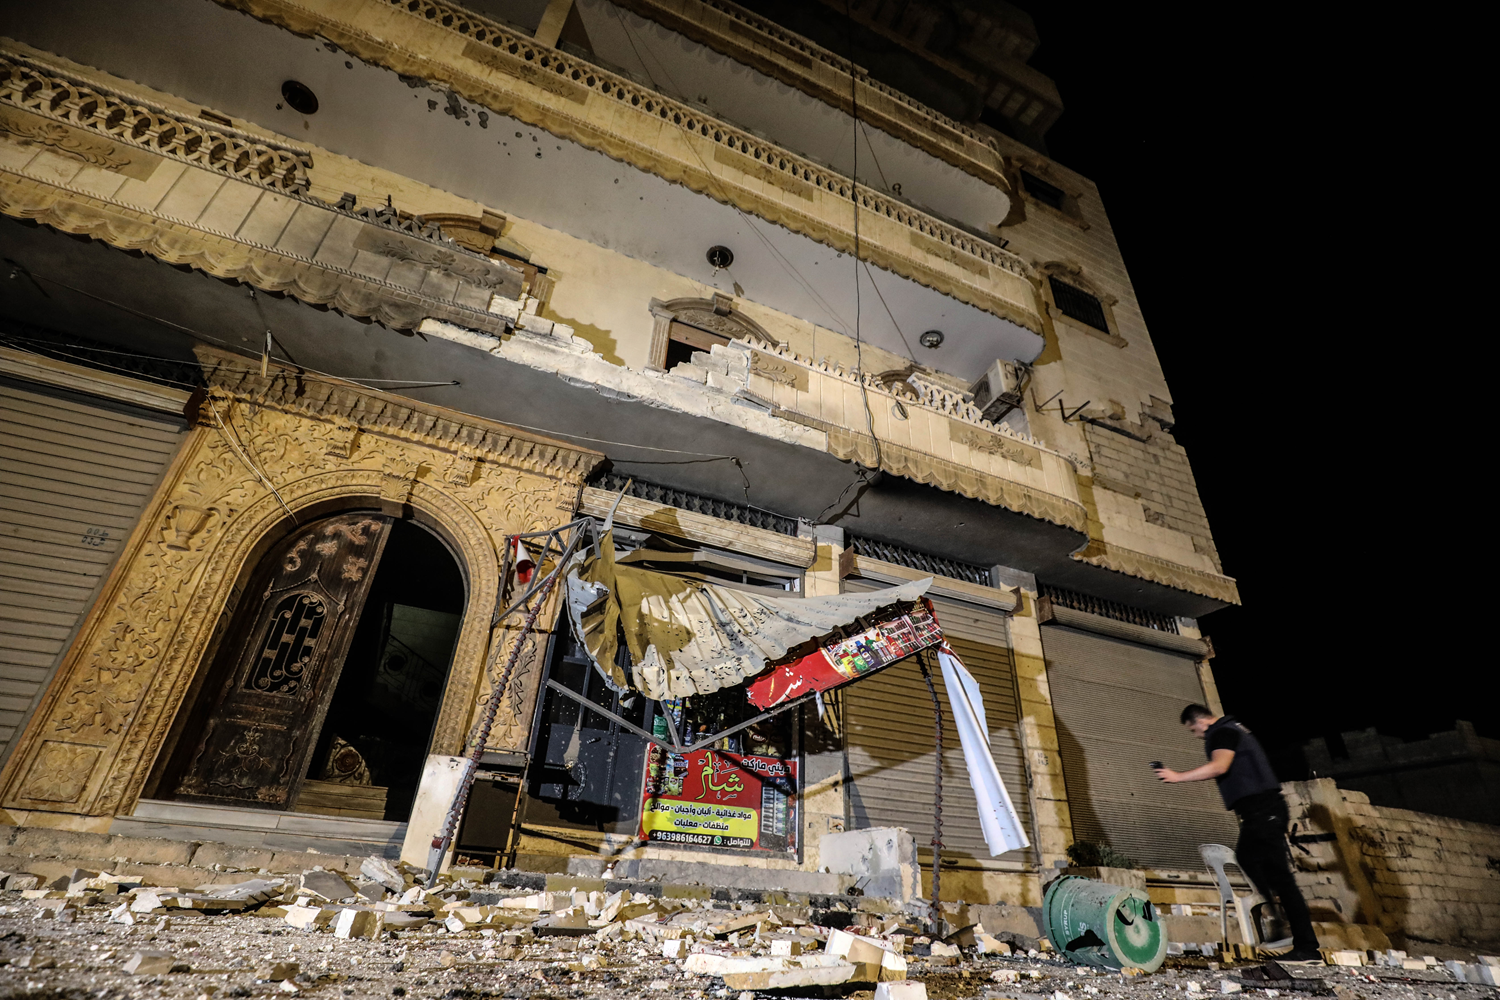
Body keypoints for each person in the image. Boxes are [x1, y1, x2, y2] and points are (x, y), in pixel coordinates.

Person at [1155, 704, 1321, 964]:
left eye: (1193, 730)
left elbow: (1220, 766)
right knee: (1247, 858)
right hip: (1258, 812)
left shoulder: (1221, 732)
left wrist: (1177, 777)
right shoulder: (1234, 728)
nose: (1197, 736)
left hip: (1263, 810)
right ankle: (1278, 917)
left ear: (1198, 721)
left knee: (1282, 878)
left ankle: (1304, 945)